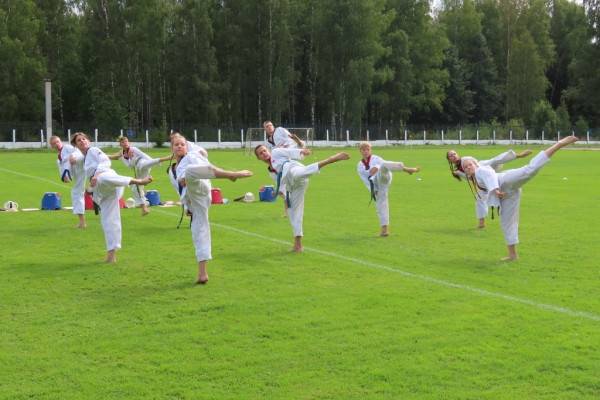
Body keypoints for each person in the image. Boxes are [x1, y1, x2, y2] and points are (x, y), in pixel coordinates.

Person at [461, 135, 578, 261]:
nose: (468, 167)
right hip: (507, 195)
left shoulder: (480, 170)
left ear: (475, 163)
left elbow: (489, 175)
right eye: (466, 167)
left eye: (470, 164)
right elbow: (495, 164)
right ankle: (513, 255)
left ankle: (559, 144)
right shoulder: (474, 177)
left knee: (530, 169)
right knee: (507, 223)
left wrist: (495, 190)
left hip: (505, 181)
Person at [171, 135, 253, 284]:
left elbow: (202, 155)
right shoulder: (172, 169)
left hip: (201, 186)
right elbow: (179, 188)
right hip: (194, 198)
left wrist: (199, 153)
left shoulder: (192, 154)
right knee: (199, 231)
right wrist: (188, 207)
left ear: (187, 146)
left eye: (182, 144)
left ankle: (231, 175)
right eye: (176, 144)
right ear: (172, 148)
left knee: (189, 170)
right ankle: (202, 273)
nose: (179, 146)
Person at [71, 132, 153, 263]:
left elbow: (105, 161)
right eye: (79, 141)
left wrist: (96, 175)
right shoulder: (84, 157)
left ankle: (138, 181)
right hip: (103, 190)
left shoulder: (93, 150)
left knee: (104, 178)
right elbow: (75, 161)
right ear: (76, 145)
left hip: (107, 178)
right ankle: (111, 254)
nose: (82, 141)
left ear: (89, 141)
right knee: (109, 221)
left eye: (84, 139)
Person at [255, 144, 349, 252]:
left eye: (264, 151)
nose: (264, 154)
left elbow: (290, 152)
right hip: (294, 185)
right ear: (259, 158)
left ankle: (331, 159)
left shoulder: (276, 152)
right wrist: (277, 193)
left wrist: (302, 151)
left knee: (297, 173)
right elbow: (282, 187)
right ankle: (298, 245)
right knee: (293, 213)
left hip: (293, 168)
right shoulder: (271, 174)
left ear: (268, 150)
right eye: (261, 153)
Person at [447, 148, 532, 228]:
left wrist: (467, 172)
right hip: (480, 181)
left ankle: (518, 155)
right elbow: (469, 178)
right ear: (449, 160)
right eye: (451, 155)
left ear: (457, 154)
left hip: (483, 168)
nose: (453, 156)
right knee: (479, 199)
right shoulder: (457, 170)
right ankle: (481, 222)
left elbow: (475, 166)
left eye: (454, 154)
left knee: (495, 160)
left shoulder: (466, 159)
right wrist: (459, 173)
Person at [357, 142, 420, 237]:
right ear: (360, 151)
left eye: (368, 150)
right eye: (363, 150)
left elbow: (383, 165)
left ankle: (407, 169)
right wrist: (373, 190)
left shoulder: (376, 158)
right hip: (376, 185)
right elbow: (365, 180)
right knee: (381, 205)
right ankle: (384, 230)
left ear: (370, 150)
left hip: (385, 177)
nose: (366, 152)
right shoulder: (359, 166)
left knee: (384, 164)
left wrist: (376, 168)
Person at [109, 136, 171, 216]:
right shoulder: (122, 155)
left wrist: (153, 161)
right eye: (123, 142)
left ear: (129, 142)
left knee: (143, 165)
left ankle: (168, 158)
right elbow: (130, 166)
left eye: (126, 141)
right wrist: (130, 159)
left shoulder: (133, 149)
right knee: (135, 188)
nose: (125, 143)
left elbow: (143, 155)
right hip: (138, 170)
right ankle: (144, 207)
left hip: (143, 162)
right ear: (120, 144)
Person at [49, 135, 86, 228]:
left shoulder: (67, 147)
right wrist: (65, 177)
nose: (56, 144)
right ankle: (82, 222)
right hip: (77, 173)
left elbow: (78, 152)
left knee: (77, 193)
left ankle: (82, 223)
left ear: (61, 141)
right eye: (54, 144)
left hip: (82, 166)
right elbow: (63, 171)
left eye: (57, 142)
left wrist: (74, 157)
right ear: (51, 146)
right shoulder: (58, 159)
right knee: (77, 193)